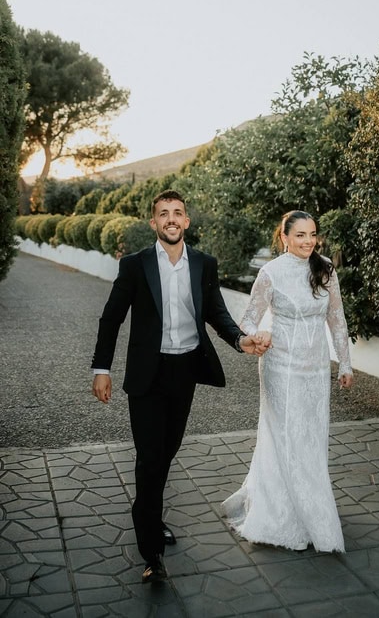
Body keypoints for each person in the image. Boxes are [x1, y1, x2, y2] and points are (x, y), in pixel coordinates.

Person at [91, 189, 268, 583]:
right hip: (147, 374)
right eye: (163, 213)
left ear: (186, 221)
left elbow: (217, 313)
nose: (171, 219)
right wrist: (101, 368)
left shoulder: (204, 264)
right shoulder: (135, 265)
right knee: (149, 459)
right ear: (153, 222)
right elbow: (111, 317)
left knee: (166, 453)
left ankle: (150, 517)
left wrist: (241, 340)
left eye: (177, 213)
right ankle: (152, 552)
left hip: (184, 371)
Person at [223, 209, 353, 552]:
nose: (309, 241)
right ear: (284, 237)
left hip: (315, 369)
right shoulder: (271, 273)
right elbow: (248, 319)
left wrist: (345, 363)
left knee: (311, 437)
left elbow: (337, 320)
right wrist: (259, 334)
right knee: (285, 437)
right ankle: (282, 514)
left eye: (312, 234)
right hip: (279, 368)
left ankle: (310, 506)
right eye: (300, 235)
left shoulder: (326, 269)